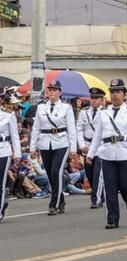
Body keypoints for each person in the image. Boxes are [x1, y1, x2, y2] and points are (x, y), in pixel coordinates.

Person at [86, 79, 127, 229]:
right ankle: (112, 219)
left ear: (124, 94)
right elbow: (97, 136)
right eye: (112, 92)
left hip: (125, 153)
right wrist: (91, 154)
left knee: (126, 187)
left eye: (118, 92)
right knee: (109, 188)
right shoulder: (104, 114)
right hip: (107, 154)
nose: (115, 95)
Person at [30, 80, 78, 216]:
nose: (51, 92)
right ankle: (61, 200)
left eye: (54, 90)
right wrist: (32, 147)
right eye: (50, 90)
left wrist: (73, 149)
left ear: (60, 92)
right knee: (51, 174)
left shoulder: (66, 108)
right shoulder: (41, 108)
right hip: (45, 143)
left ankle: (54, 204)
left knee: (56, 171)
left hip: (61, 142)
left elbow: (71, 129)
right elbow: (36, 128)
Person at [77, 87, 106, 208]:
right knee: (89, 174)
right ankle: (100, 194)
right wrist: (82, 145)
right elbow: (79, 129)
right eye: (92, 98)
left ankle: (96, 199)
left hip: (100, 147)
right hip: (87, 146)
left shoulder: (105, 112)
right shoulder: (84, 112)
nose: (93, 101)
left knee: (97, 174)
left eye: (96, 98)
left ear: (101, 100)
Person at [0, 103, 21, 222]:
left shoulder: (8, 115)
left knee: (0, 182)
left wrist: (17, 153)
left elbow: (15, 136)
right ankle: (2, 203)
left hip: (3, 150)